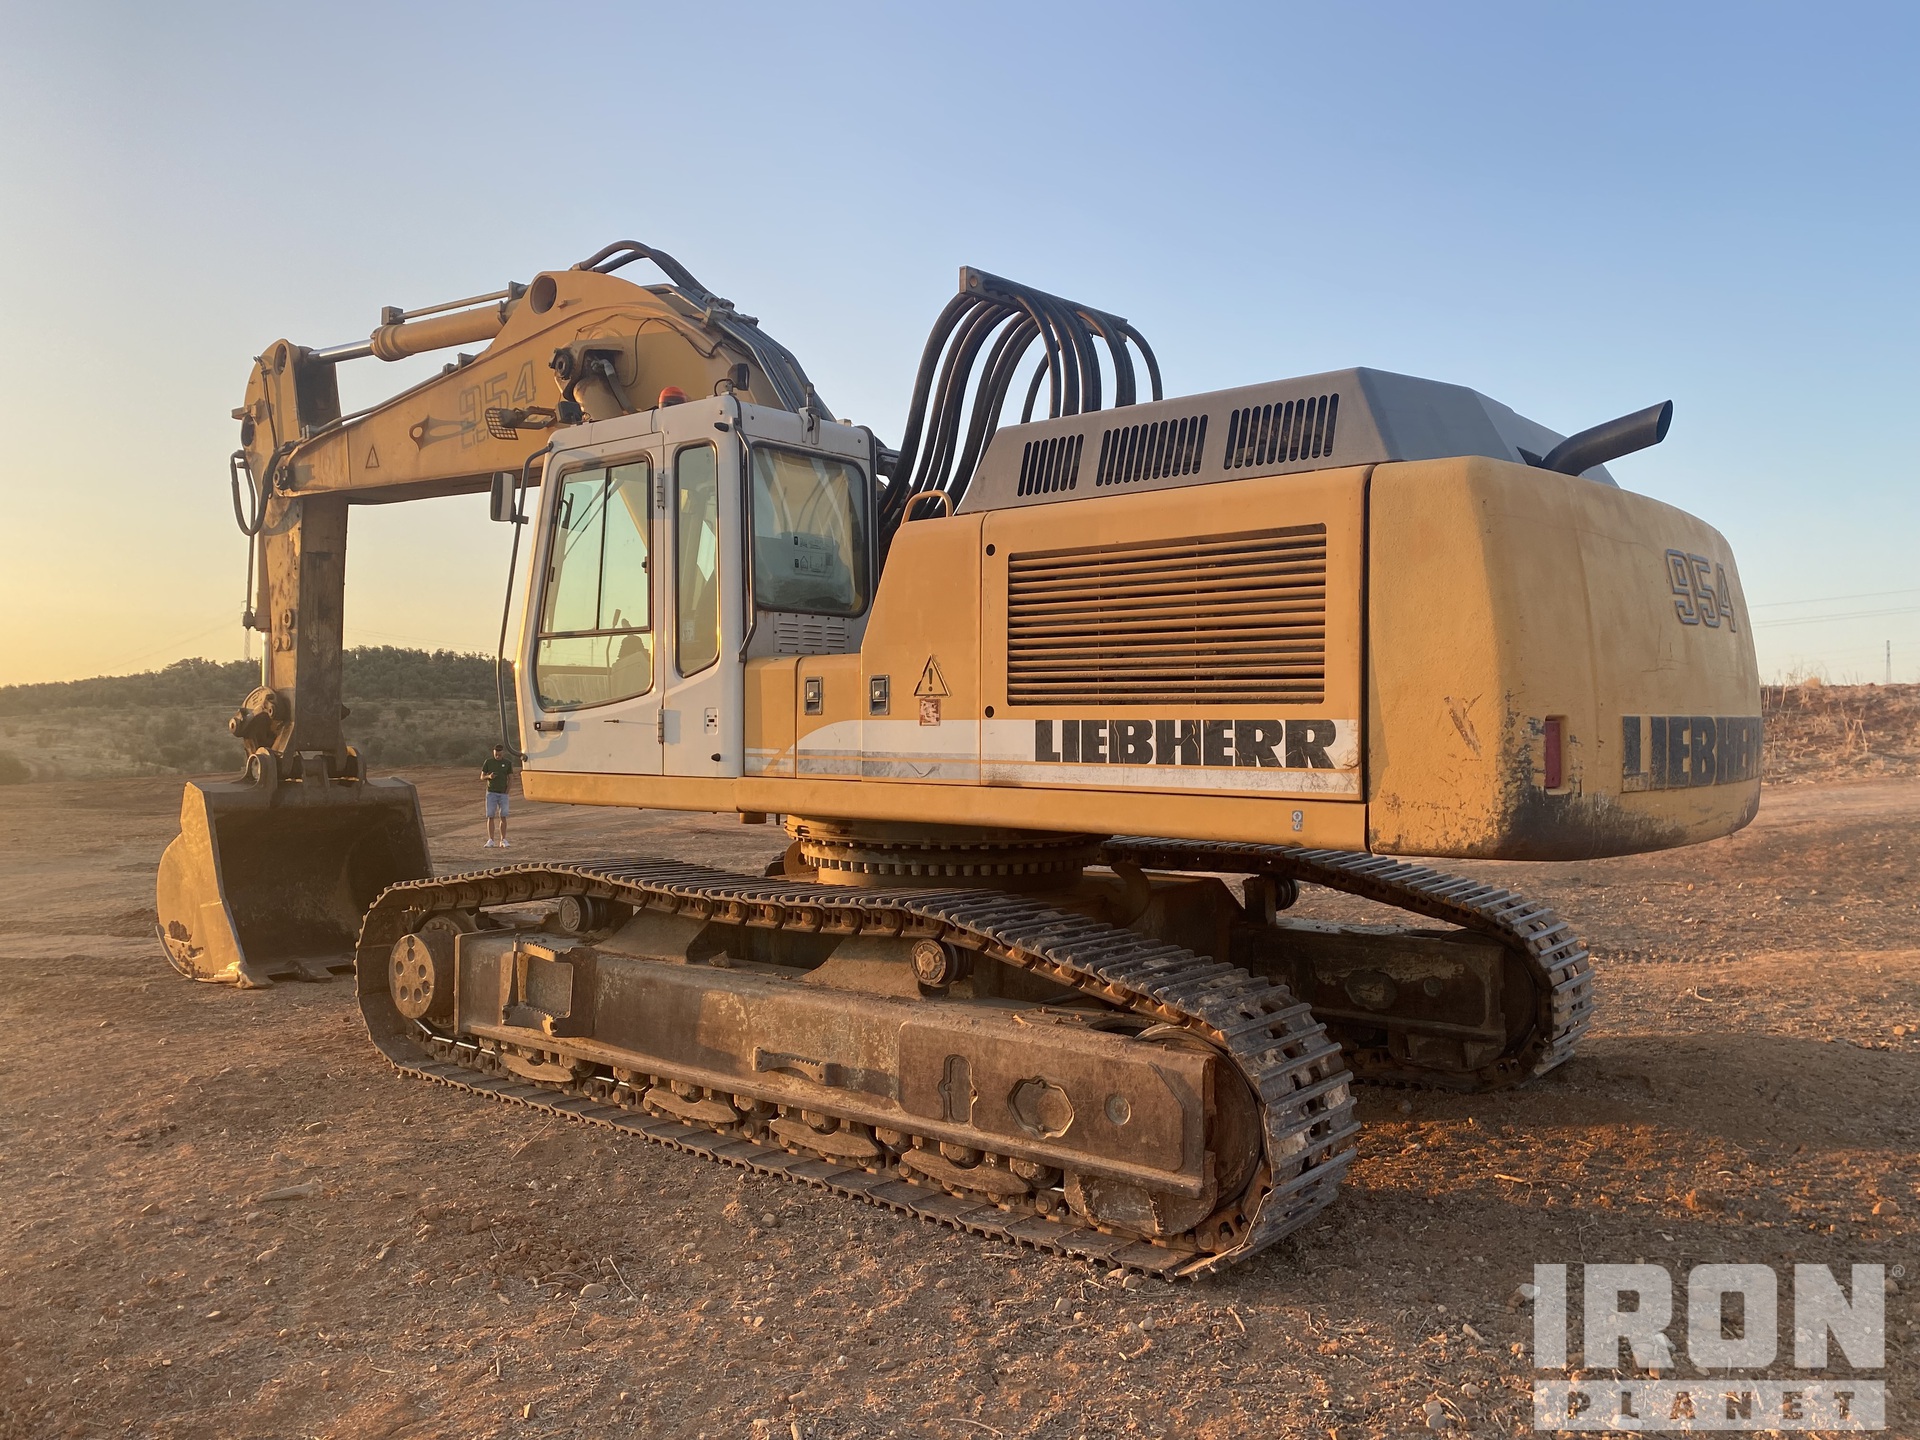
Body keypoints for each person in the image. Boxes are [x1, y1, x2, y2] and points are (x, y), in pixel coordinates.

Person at [481, 744, 514, 848]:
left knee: (503, 816)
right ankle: (490, 839)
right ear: (493, 752)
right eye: (496, 754)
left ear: (502, 753)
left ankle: (503, 839)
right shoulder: (488, 762)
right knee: (490, 816)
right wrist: (488, 777)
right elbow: (482, 776)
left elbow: (511, 778)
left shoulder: (507, 763)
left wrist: (507, 791)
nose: (497, 756)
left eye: (499, 755)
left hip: (502, 793)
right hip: (491, 792)